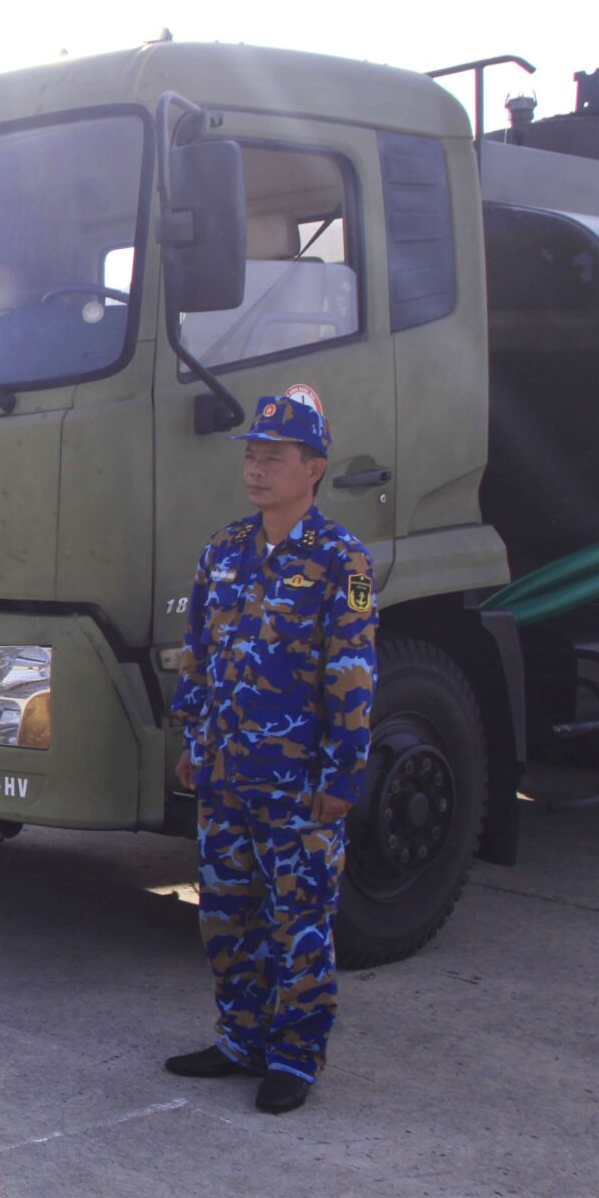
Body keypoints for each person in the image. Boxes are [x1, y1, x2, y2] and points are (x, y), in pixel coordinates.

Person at [166, 393, 377, 1115]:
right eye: (252, 455)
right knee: (225, 912)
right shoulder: (224, 550)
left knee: (300, 919)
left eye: (274, 457)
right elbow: (199, 652)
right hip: (225, 772)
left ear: (313, 468)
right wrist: (192, 737)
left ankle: (295, 1054)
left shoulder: (340, 560)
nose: (257, 469)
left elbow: (352, 672)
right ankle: (240, 1039)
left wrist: (344, 772)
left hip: (298, 783)